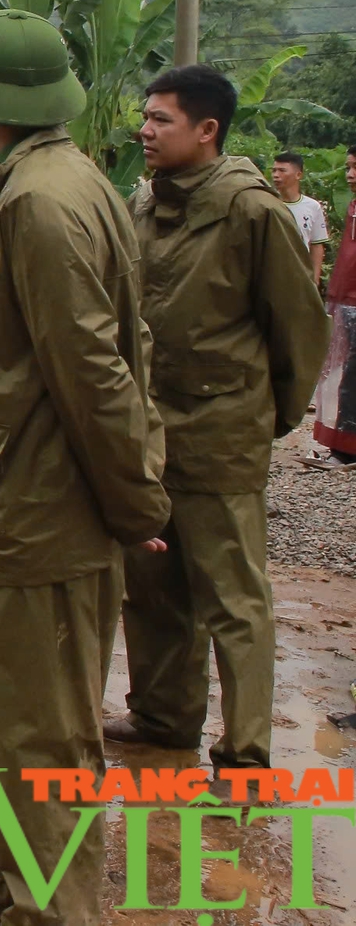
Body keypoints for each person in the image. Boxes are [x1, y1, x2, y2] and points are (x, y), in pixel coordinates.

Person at [0, 11, 172, 926]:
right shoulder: (44, 181)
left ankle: (52, 910)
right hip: (7, 504)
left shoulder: (40, 205)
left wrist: (135, 499)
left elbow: (94, 372)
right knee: (14, 725)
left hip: (38, 513)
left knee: (45, 739)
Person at [106, 64, 327, 772]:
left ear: (207, 131)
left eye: (161, 119)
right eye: (146, 116)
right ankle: (164, 716)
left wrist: (270, 415)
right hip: (152, 434)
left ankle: (246, 750)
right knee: (152, 587)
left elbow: (299, 327)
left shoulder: (251, 212)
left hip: (222, 432)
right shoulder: (142, 204)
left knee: (233, 598)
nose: (144, 129)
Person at [310, 145, 356, 466]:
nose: (350, 175)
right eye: (349, 168)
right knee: (348, 374)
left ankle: (346, 447)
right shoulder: (354, 206)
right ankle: (343, 444)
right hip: (349, 302)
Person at [270, 150, 328, 284]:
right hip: (272, 274)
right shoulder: (267, 203)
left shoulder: (313, 206)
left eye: (282, 171)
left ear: (298, 174)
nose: (276, 175)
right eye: (274, 171)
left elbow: (317, 244)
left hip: (300, 275)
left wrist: (315, 279)